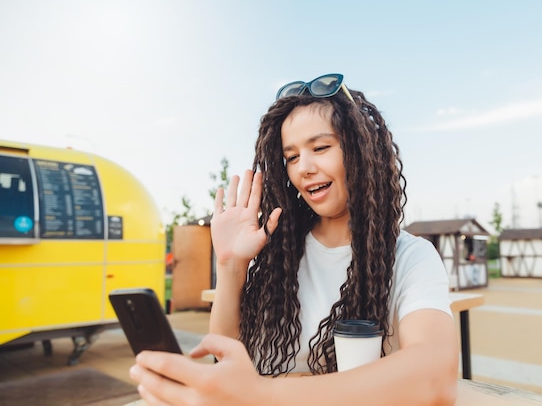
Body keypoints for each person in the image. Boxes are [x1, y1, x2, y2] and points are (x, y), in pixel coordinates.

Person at [129, 73, 458, 405]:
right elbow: (226, 355)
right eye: (292, 157)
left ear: (362, 151)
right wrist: (230, 264)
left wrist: (262, 394)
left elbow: (435, 375)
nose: (304, 168)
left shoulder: (412, 256)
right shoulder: (277, 252)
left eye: (320, 147)